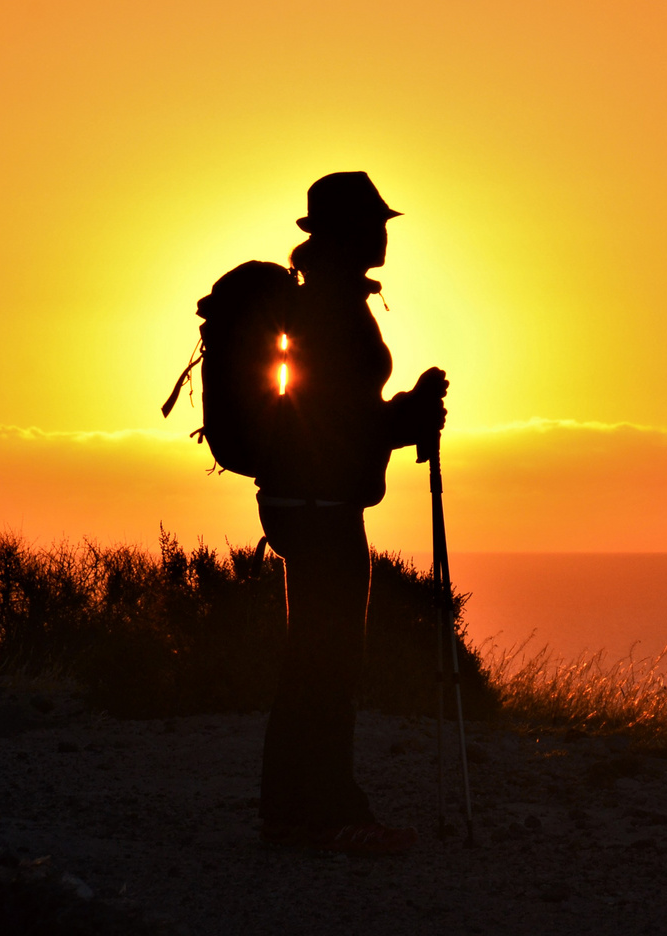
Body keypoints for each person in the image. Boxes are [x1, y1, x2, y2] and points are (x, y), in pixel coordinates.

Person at [255, 171, 447, 855]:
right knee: (329, 661)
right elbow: (342, 421)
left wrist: (405, 412)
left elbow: (339, 417)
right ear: (342, 234)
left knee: (313, 656)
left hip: (304, 497)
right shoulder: (333, 310)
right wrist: (411, 414)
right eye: (374, 224)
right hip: (321, 501)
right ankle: (332, 813)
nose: (384, 233)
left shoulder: (326, 304)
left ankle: (291, 812)